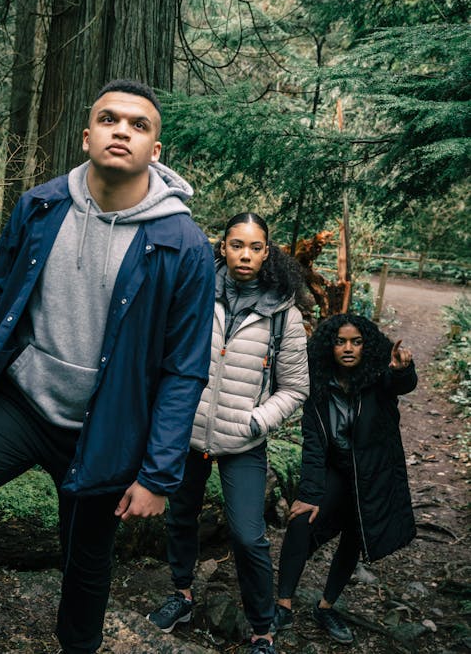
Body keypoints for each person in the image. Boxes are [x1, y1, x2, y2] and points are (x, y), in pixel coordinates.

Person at [0, 79, 216, 654]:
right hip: (22, 401)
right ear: (87, 136)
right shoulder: (40, 207)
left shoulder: (184, 245)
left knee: (87, 564)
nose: (122, 131)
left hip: (107, 425)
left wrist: (158, 475)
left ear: (156, 150)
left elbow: (185, 369)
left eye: (139, 125)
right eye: (110, 120)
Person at [147, 212, 310, 654]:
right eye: (237, 244)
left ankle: (262, 628)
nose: (246, 255)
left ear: (267, 252)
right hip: (188, 432)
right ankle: (181, 594)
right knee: (180, 517)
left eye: (256, 247)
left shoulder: (283, 314)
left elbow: (296, 388)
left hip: (243, 439)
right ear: (223, 247)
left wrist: (256, 421)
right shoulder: (197, 292)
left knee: (247, 534)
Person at [272, 313, 417, 645]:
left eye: (356, 341)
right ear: (329, 346)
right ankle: (283, 605)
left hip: (372, 471)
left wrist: (402, 370)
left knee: (356, 531)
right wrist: (309, 492)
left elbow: (402, 385)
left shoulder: (379, 377)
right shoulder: (318, 383)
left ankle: (326, 607)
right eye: (340, 342)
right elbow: (312, 443)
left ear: (366, 346)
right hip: (335, 468)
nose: (348, 348)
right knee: (300, 520)